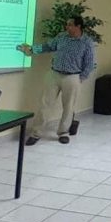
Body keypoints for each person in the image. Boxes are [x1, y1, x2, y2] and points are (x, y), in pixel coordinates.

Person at [19, 16, 96, 145]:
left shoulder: (87, 42)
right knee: (45, 104)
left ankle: (63, 133)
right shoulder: (62, 37)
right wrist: (32, 49)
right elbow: (48, 46)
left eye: (70, 25)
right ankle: (36, 133)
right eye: (67, 24)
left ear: (78, 26)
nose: (67, 27)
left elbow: (89, 64)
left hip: (72, 77)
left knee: (68, 107)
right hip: (54, 74)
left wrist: (79, 79)